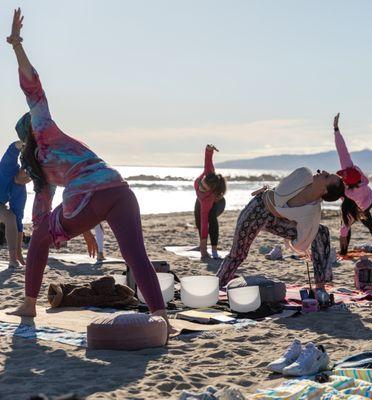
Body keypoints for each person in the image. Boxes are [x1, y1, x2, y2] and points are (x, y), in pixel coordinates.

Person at [5, 9, 169, 329]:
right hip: (119, 189)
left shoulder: (44, 137)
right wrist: (75, 226)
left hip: (87, 197)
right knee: (136, 254)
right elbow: (47, 214)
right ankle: (161, 316)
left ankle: (28, 304)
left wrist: (16, 45)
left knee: (39, 239)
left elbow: (33, 90)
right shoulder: (47, 165)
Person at [216, 168, 344, 292]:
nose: (323, 172)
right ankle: (218, 283)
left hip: (277, 220)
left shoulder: (311, 212)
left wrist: (301, 238)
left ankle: (321, 286)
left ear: (324, 191)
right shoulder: (303, 174)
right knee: (238, 253)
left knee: (321, 232)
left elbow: (301, 242)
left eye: (327, 177)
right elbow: (278, 197)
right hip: (258, 208)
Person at [332, 113, 372, 255]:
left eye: (343, 177)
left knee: (345, 224)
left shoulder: (348, 193)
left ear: (347, 183)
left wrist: (336, 129)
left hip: (361, 206)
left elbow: (342, 151)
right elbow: (342, 150)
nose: (342, 176)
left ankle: (343, 251)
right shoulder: (357, 178)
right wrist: (337, 130)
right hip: (367, 203)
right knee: (370, 225)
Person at [193, 144, 226, 261]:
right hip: (201, 199)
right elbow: (208, 160)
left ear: (210, 189)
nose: (200, 187)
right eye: (201, 184)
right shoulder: (208, 173)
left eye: (203, 187)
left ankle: (214, 250)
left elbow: (204, 221)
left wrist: (203, 250)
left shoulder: (208, 198)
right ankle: (202, 244)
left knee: (210, 218)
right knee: (198, 219)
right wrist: (209, 150)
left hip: (219, 202)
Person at [0, 141, 30, 267]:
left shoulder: (20, 188)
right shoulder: (8, 167)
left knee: (11, 217)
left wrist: (18, 251)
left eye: (30, 178)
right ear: (22, 168)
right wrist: (25, 143)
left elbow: (18, 218)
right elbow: (13, 148)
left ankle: (13, 259)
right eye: (26, 173)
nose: (27, 178)